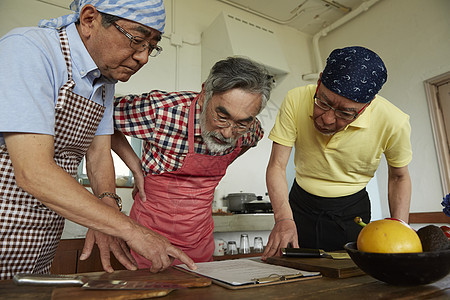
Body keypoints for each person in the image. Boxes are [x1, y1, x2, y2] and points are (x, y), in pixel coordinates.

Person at [0, 0, 196, 280]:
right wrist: (129, 229)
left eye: (152, 47)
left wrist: (106, 206)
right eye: (137, 40)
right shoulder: (29, 50)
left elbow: (99, 153)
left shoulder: (104, 81)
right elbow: (34, 172)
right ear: (90, 19)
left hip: (40, 238)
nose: (143, 57)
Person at [112, 56, 273, 267]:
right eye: (221, 117)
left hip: (199, 243)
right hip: (147, 240)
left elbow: (252, 138)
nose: (227, 132)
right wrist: (135, 166)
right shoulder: (162, 112)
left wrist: (223, 160)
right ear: (205, 92)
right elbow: (102, 116)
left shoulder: (250, 129)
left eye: (240, 124)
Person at [261, 46, 412, 258]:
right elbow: (277, 165)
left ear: (366, 106)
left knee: (351, 280)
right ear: (320, 80)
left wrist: (400, 231)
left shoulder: (394, 122)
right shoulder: (295, 99)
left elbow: (399, 177)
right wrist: (283, 219)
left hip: (352, 211)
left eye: (345, 113)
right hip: (299, 206)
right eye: (323, 102)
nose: (327, 118)